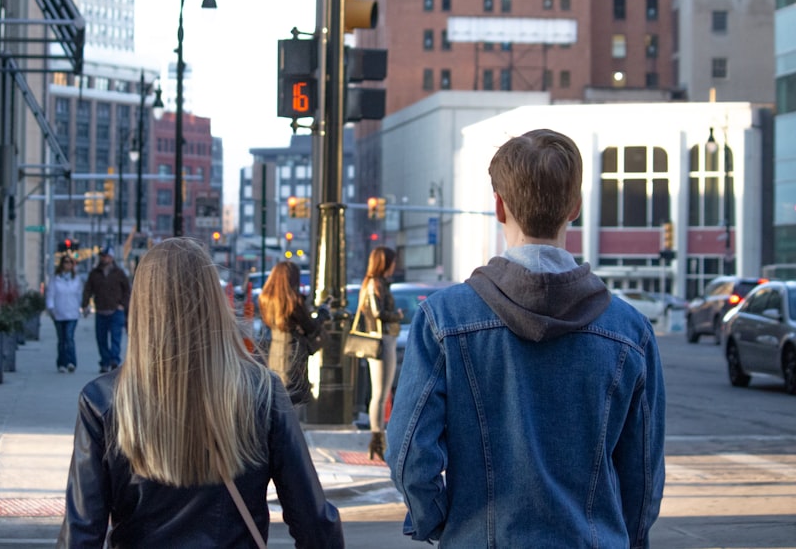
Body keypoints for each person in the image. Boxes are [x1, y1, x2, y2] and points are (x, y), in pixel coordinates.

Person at [386, 129, 666, 546]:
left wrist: (441, 523)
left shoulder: (443, 320)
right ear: (575, 207)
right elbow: (643, 474)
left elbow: (410, 456)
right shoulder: (630, 331)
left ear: (499, 206)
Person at [58, 238, 343, 548]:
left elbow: (82, 532)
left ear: (141, 307)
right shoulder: (262, 391)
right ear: (214, 301)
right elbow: (314, 523)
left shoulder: (103, 400)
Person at [258, 261, 325, 407]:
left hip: (275, 351)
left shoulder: (266, 298)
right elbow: (311, 328)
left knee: (279, 397)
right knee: (294, 400)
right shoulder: (293, 301)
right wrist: (322, 315)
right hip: (293, 352)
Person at [358, 246, 403, 461]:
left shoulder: (376, 283)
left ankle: (377, 439)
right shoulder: (375, 284)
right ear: (384, 262)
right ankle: (377, 439)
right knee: (380, 393)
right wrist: (396, 315)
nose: (395, 265)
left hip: (384, 341)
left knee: (381, 393)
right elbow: (378, 313)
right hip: (381, 341)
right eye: (392, 261)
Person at [81, 246, 131, 373]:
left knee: (116, 337)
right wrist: (85, 304)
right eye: (102, 256)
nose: (104, 258)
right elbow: (88, 290)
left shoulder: (119, 273)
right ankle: (105, 361)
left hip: (116, 311)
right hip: (101, 310)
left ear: (111, 257)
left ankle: (114, 360)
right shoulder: (94, 273)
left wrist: (123, 305)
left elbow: (127, 291)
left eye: (106, 256)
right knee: (101, 338)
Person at [46, 254, 84, 373]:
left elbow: (79, 295)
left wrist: (81, 307)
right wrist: (50, 308)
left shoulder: (76, 279)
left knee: (69, 337)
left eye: (70, 262)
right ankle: (61, 363)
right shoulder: (55, 279)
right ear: (62, 264)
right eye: (65, 262)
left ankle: (71, 362)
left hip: (72, 313)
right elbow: (50, 294)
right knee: (61, 339)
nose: (67, 265)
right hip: (59, 312)